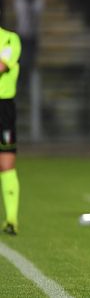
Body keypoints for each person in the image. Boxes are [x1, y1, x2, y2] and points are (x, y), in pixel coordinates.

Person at [0, 25, 21, 235]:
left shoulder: (9, 39)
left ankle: (11, 219)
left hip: (3, 108)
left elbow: (2, 65)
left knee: (6, 163)